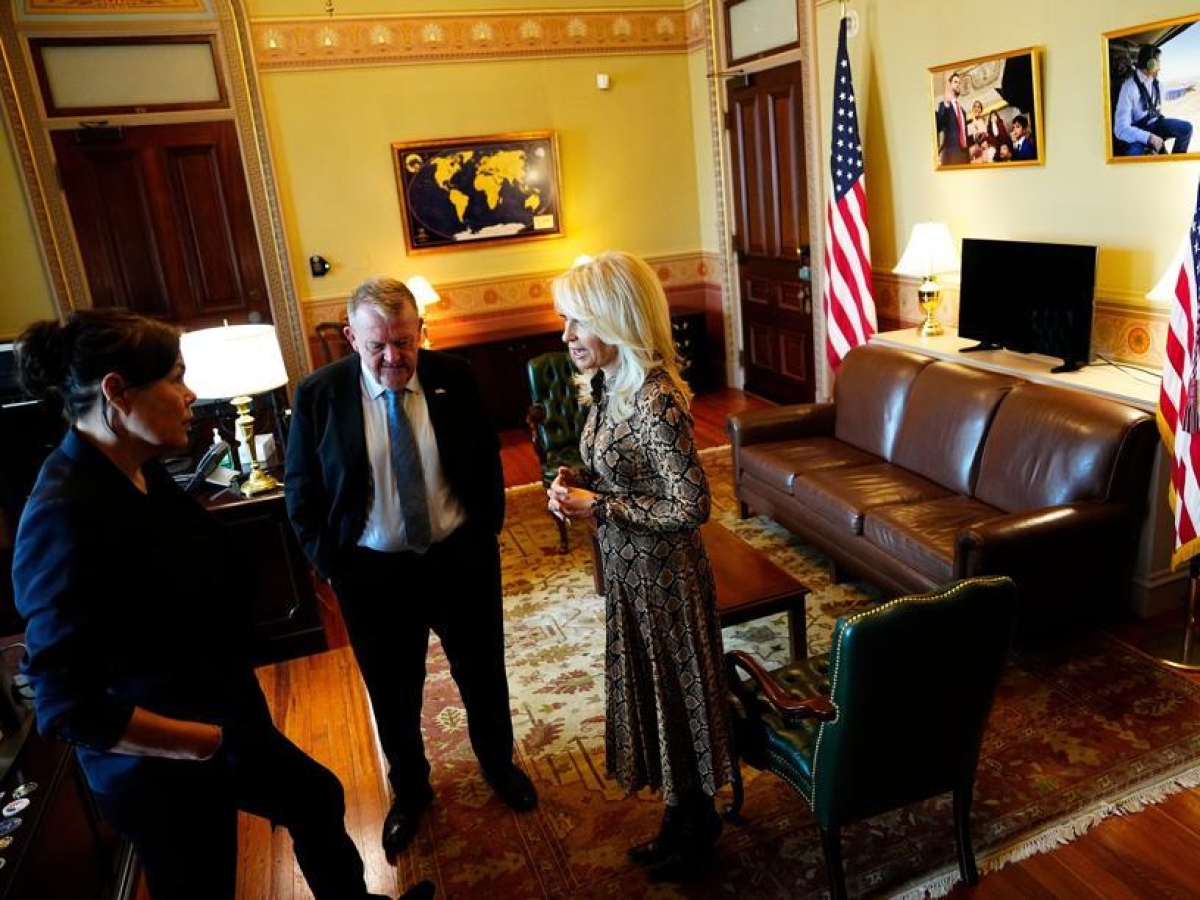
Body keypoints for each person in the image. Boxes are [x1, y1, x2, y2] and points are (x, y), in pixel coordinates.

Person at [10, 309, 430, 900]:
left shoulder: (139, 470)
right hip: (162, 764)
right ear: (117, 393)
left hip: (218, 719)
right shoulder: (61, 514)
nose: (191, 395)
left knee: (316, 796)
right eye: (176, 378)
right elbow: (65, 706)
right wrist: (201, 742)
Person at [286, 277, 537, 863]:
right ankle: (412, 790)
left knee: (482, 673)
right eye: (378, 345)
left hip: (458, 560)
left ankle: (498, 765)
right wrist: (331, 564)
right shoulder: (320, 394)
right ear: (351, 338)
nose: (394, 357)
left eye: (404, 341)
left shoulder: (455, 376)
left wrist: (486, 530)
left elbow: (485, 457)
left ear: (420, 331)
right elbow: (301, 488)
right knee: (393, 690)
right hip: (372, 574)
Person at [546, 251, 735, 882]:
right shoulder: (609, 386)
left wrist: (598, 505)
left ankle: (696, 826)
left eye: (577, 320)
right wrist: (578, 481)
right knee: (657, 695)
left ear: (615, 317)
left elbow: (692, 504)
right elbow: (625, 472)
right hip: (629, 571)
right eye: (565, 320)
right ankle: (680, 820)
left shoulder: (655, 399)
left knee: (676, 695)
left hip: (666, 579)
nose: (567, 335)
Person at [1113, 43, 1193, 156]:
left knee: (1186, 128)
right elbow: (1120, 129)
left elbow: (1166, 94)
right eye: (1158, 63)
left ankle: (1175, 160)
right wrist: (1149, 137)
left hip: (1156, 124)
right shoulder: (1129, 88)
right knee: (1133, 154)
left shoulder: (1154, 82)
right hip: (1139, 131)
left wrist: (1184, 90)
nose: (1160, 68)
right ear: (1151, 64)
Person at [935, 71, 971, 165]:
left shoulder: (963, 112)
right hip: (952, 156)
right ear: (949, 85)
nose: (958, 84)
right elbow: (939, 125)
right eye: (955, 82)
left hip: (965, 156)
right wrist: (946, 104)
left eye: (959, 83)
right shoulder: (944, 105)